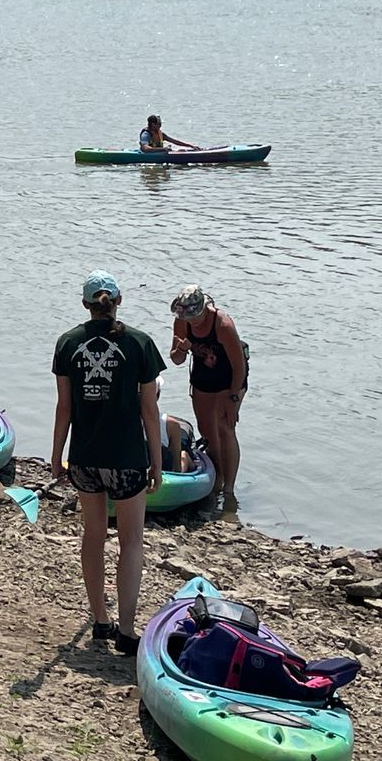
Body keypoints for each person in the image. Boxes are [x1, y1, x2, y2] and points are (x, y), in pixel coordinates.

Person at [51, 271, 166, 655]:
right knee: (132, 541)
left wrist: (56, 455)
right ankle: (127, 631)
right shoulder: (140, 344)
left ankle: (100, 620)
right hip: (127, 458)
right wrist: (157, 462)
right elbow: (150, 412)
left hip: (85, 456)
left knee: (93, 535)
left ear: (85, 305)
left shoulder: (68, 343)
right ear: (120, 301)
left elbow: (64, 407)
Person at [170, 285, 248, 508]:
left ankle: (229, 489)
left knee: (225, 427)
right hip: (203, 376)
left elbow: (239, 366)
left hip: (230, 378)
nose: (192, 321)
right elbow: (176, 359)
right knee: (207, 431)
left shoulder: (222, 325)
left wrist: (233, 399)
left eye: (195, 316)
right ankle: (217, 480)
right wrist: (182, 349)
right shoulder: (182, 321)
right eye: (187, 316)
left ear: (204, 308)